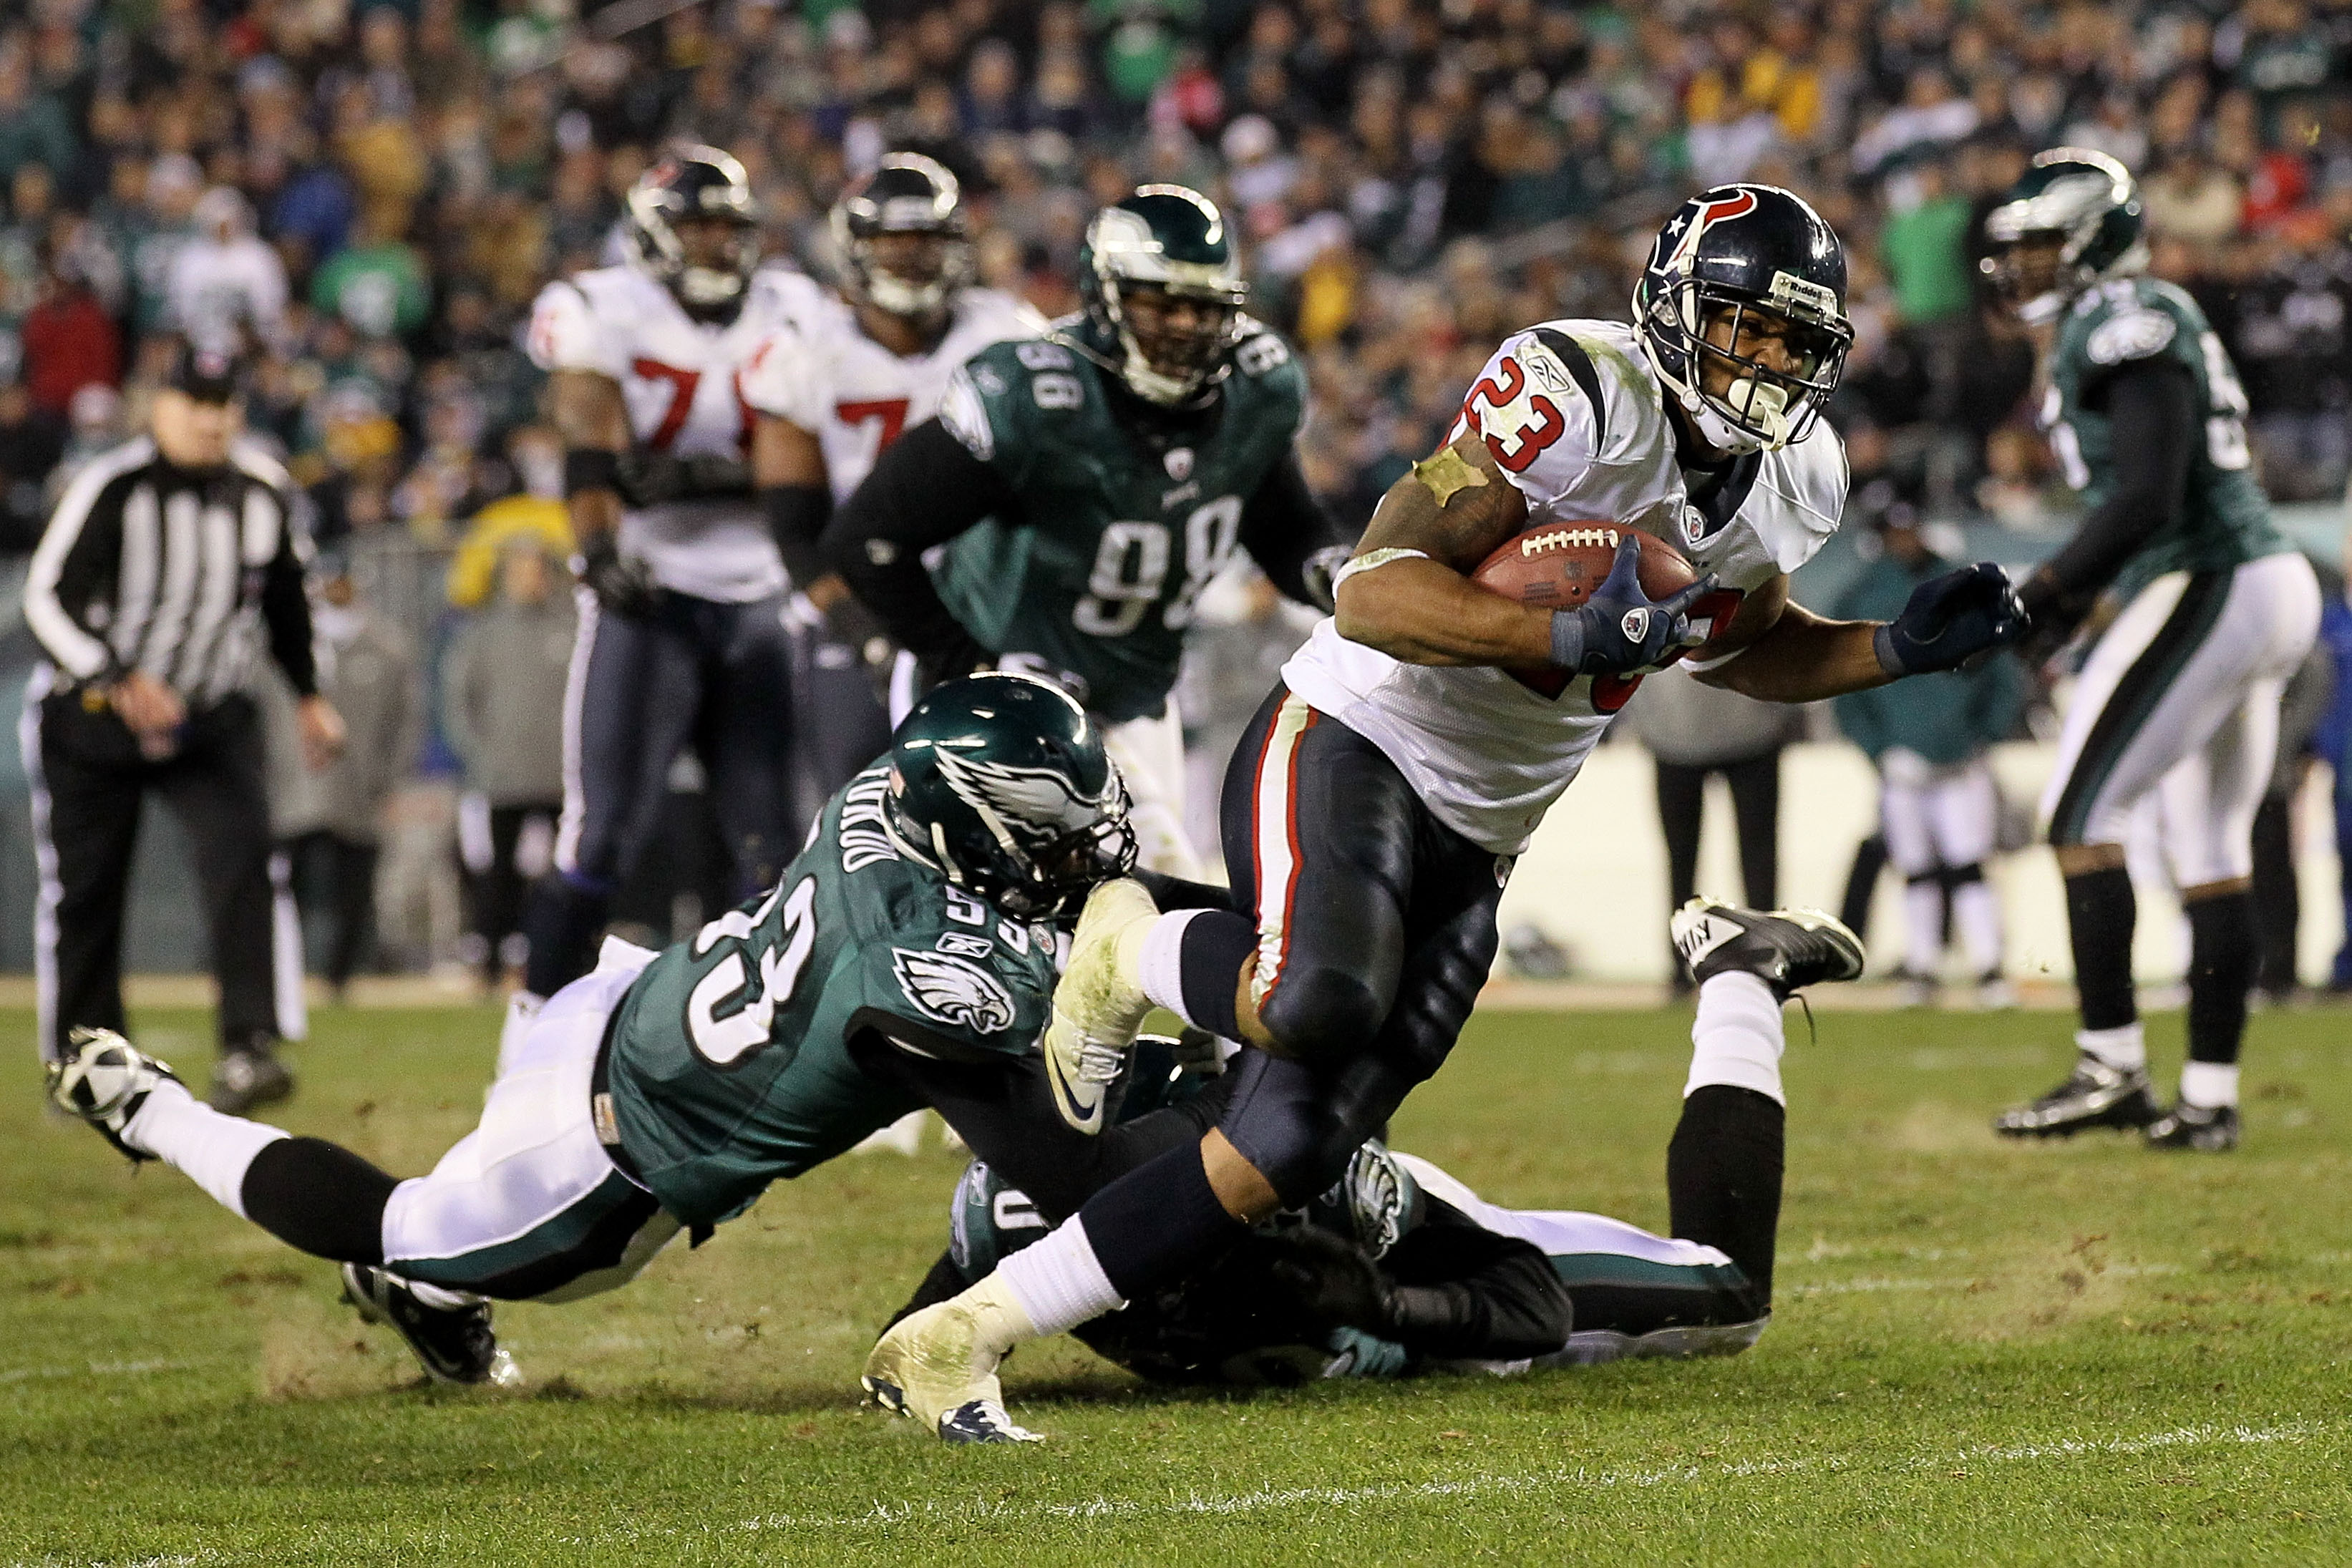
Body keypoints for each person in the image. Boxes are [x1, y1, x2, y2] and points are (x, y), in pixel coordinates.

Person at [860, 184, 2024, 1441]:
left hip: (1485, 830)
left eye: (1796, 344)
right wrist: (1553, 627)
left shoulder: (1798, 473)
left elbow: (1730, 646)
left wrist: (1891, 647)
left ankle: (960, 1334)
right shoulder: (1574, 390)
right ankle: (1131, 941)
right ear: (1677, 309)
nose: (1769, 364)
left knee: (1282, 1152)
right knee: (1316, 998)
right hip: (1360, 737)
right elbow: (1371, 590)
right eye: (1747, 328)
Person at [47, 675, 1222, 1436]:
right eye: (1052, 834)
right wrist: (1220, 1093)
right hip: (605, 1161)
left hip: (620, 997)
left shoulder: (893, 803)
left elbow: (1084, 911)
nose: (1084, 854)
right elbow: (1075, 1175)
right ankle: (153, 1112)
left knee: (431, 1249)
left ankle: (427, 1302)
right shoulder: (909, 967)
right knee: (406, 1223)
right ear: (975, 826)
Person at [822, 184, 1353, 880]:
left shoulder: (1253, 387)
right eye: (1160, 303)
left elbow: (1283, 525)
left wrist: (1336, 573)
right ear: (1105, 298)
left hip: (1134, 689)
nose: (1184, 327)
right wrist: (969, 660)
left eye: (1201, 307)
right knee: (1063, 908)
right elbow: (868, 538)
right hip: (1010, 683)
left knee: (1150, 908)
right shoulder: (1039, 396)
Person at [1981, 151, 2321, 1152]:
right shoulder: (2123, 319)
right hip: (2239, 581)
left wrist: (2040, 595)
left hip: (2215, 575)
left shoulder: (2128, 315)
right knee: (2208, 850)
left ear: (2092, 245)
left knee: (2082, 812)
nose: (2021, 269)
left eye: (2041, 248)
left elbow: (2147, 497)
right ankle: (2207, 1098)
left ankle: (2110, 1065)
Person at [891, 1016, 1812, 1386]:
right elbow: (917, 1336)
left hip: (1442, 1310)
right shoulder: (1008, 1213)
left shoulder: (1306, 1191)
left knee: (1729, 1299)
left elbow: (1531, 1298)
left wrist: (1392, 1308)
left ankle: (1738, 978)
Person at [513, 148, 817, 1033]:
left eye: (729, 224)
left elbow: (808, 462)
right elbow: (589, 435)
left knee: (772, 846)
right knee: (602, 831)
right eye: (697, 225)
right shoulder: (601, 306)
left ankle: (764, 1048)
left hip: (758, 596)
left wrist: (692, 479)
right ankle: (533, 1025)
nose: (717, 243)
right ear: (652, 236)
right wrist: (600, 544)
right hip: (651, 593)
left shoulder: (794, 308)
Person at [19, 344, 345, 1111]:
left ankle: (248, 1047)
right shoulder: (112, 485)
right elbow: (45, 598)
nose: (212, 419)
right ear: (158, 408)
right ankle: (89, 1062)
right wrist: (116, 675)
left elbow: (287, 603)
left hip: (210, 717)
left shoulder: (263, 491)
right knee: (88, 889)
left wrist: (308, 694)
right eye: (195, 403)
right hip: (95, 721)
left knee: (245, 865)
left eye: (225, 403)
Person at [739, 153, 1043, 794]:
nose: (910, 257)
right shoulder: (807, 347)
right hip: (859, 607)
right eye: (891, 241)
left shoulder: (1006, 335)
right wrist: (872, 640)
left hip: (984, 606)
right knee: (859, 810)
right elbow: (795, 534)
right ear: (855, 250)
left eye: (927, 240)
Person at [1831, 512, 2026, 1007]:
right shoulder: (1863, 594)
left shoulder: (1963, 588)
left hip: (1961, 759)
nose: (1906, 537)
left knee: (1969, 866)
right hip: (1901, 761)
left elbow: (2003, 674)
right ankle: (1923, 963)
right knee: (1916, 870)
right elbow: (1843, 684)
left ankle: (1988, 966)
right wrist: (1878, 749)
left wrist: (1981, 735)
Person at [263, 548, 419, 1001]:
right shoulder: (285, 641)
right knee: (281, 886)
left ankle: (339, 977)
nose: (335, 588)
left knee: (354, 887)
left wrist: (388, 779)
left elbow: (405, 720)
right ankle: (278, 973)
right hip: (293, 787)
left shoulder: (388, 647)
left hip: (359, 787)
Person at [1618, 663, 1803, 990]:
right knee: (1754, 857)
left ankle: (1685, 968)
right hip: (1732, 727)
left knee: (1685, 861)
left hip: (1685, 731)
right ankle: (1765, 961)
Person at [441, 536, 573, 992]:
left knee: (566, 872)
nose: (530, 578)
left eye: (536, 568)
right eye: (521, 568)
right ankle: (490, 963)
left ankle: (564, 957)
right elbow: (458, 702)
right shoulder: (483, 632)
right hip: (500, 780)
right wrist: (481, 756)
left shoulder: (572, 627)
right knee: (495, 875)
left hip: (562, 780)